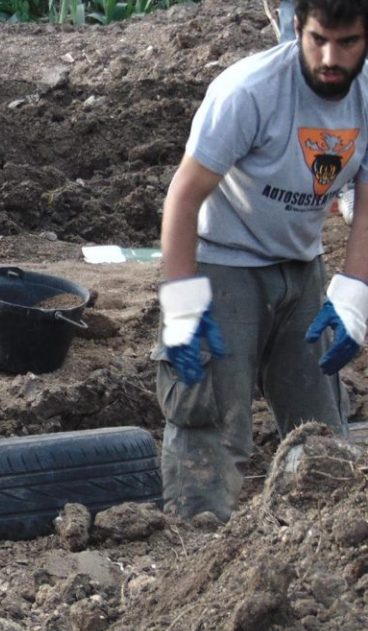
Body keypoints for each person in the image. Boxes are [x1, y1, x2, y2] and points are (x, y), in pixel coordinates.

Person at [156, 0, 366, 521]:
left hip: (301, 264)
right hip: (224, 259)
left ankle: (324, 538)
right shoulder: (248, 91)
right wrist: (183, 309)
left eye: (348, 43)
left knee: (322, 433)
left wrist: (354, 295)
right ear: (297, 27)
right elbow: (183, 196)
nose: (330, 58)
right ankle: (199, 541)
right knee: (209, 410)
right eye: (318, 39)